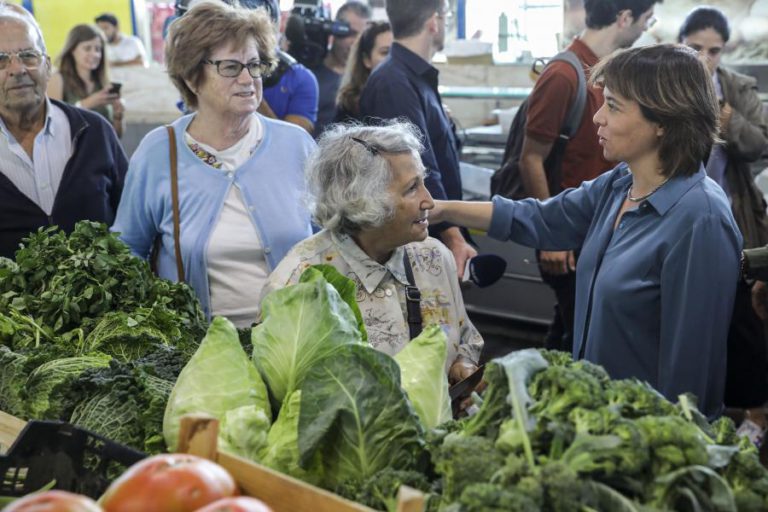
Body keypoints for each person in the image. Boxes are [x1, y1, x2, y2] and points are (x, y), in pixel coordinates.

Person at [430, 44, 742, 418]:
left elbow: (692, 375)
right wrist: (441, 210)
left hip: (643, 437)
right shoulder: (620, 184)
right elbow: (540, 219)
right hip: (597, 422)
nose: (596, 118)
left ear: (662, 121)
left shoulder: (700, 220)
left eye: (612, 105)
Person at [112, 2, 315, 326]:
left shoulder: (296, 145)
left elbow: (328, 239)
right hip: (199, 354)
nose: (248, 79)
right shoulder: (159, 152)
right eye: (231, 67)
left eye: (255, 64)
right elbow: (126, 251)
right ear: (193, 78)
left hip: (292, 343)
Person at [263, 121, 483, 383]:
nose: (430, 201)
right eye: (412, 188)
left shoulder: (433, 256)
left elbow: (466, 336)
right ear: (362, 202)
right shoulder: (298, 283)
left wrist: (462, 366)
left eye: (423, 182)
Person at [520, 0, 660, 353]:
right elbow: (531, 159)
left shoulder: (608, 72)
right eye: (646, 19)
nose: (646, 28)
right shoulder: (563, 74)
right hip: (568, 233)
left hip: (595, 232)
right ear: (625, 18)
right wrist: (551, 239)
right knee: (577, 336)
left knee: (571, 328)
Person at [679, 5, 768, 440]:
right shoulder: (668, 87)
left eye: (713, 51)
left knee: (744, 323)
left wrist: (729, 119)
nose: (704, 59)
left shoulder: (736, 89)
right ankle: (702, 411)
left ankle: (755, 416)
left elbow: (760, 145)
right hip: (682, 223)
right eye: (695, 48)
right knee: (695, 320)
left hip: (734, 220)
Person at [359, 0, 476, 280]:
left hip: (429, 232)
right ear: (434, 22)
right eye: (446, 17)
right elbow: (418, 173)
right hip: (415, 241)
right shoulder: (395, 83)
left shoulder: (415, 77)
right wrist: (453, 237)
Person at [0, 3, 127, 258]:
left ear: (47, 65)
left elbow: (134, 224)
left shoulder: (95, 132)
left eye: (28, 55)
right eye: (1, 61)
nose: (17, 69)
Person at [47, 24, 124, 137]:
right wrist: (86, 104)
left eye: (98, 49)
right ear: (72, 49)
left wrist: (118, 116)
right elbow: (53, 125)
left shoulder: (103, 83)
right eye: (87, 48)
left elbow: (116, 136)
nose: (94, 54)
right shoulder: (57, 79)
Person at [310, 1, 371, 137]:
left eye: (360, 36)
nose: (355, 42)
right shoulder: (310, 74)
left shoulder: (367, 81)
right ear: (335, 30)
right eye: (350, 33)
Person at [334, 20, 392, 124]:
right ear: (366, 60)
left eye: (396, 52)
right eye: (385, 52)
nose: (393, 59)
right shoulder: (350, 104)